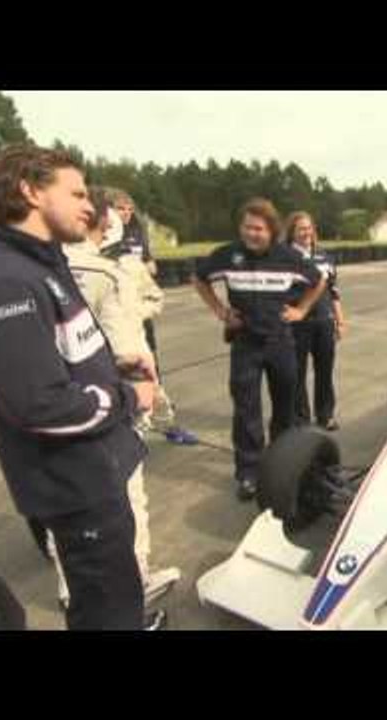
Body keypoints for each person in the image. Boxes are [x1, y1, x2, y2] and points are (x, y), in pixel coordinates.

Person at [0, 144, 160, 630]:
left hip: (98, 469)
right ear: (29, 191)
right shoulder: (3, 279)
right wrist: (131, 397)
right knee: (108, 611)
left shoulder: (41, 263)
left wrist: (113, 365)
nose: (91, 206)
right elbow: (39, 404)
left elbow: (57, 355)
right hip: (75, 482)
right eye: (77, 193)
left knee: (120, 596)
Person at [58, 187, 181, 611]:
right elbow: (128, 349)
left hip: (60, 400)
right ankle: (136, 579)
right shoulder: (106, 271)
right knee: (127, 495)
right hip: (110, 397)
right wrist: (151, 395)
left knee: (68, 502)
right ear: (102, 221)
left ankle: (71, 587)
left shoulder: (39, 267)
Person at [193, 198, 327, 501]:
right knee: (246, 411)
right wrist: (221, 311)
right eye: (247, 227)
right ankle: (249, 473)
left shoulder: (288, 256)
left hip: (281, 343)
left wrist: (301, 311)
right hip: (245, 345)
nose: (251, 233)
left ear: (272, 230)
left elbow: (318, 281)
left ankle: (280, 467)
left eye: (258, 229)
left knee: (285, 410)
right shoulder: (228, 255)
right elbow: (199, 279)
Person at [104, 188, 197, 445]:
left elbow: (149, 265)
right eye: (120, 208)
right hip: (110, 323)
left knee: (150, 371)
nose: (125, 213)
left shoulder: (135, 233)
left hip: (135, 316)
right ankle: (126, 430)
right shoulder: (92, 244)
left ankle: (167, 424)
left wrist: (135, 308)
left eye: (129, 209)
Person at [284, 211, 346, 430]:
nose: (306, 232)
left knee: (325, 371)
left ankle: (325, 415)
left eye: (309, 227)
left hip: (323, 322)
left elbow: (334, 292)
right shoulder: (284, 258)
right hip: (296, 326)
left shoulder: (324, 256)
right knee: (297, 374)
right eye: (301, 228)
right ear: (291, 232)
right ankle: (301, 420)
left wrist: (340, 321)